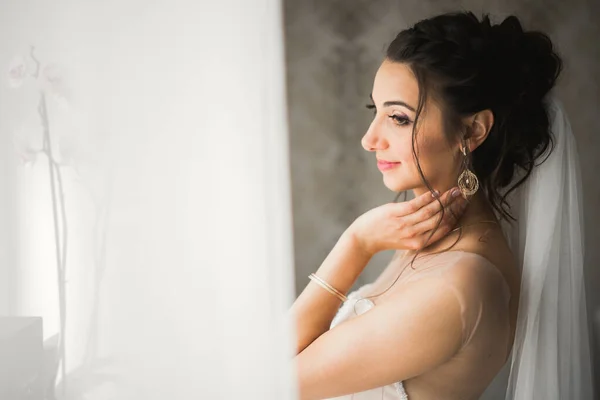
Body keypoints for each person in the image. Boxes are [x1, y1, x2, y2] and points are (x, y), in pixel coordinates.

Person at [290, 11, 594, 400]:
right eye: (375, 112)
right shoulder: (435, 237)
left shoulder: (459, 284)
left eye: (398, 118)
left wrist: (356, 243)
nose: (369, 139)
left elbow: (264, 383)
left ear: (472, 131)